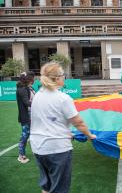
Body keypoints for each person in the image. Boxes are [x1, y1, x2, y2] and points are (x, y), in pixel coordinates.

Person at [30, 62, 96, 193]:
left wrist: (66, 132)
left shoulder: (38, 95)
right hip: (57, 149)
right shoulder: (63, 98)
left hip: (38, 148)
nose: (64, 77)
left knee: (46, 186)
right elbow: (79, 123)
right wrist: (90, 135)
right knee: (59, 189)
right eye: (63, 75)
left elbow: (46, 120)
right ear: (57, 78)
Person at [16, 71, 35, 164]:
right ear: (28, 79)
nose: (34, 79)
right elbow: (27, 102)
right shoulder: (22, 89)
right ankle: (21, 155)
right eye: (32, 77)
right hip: (26, 117)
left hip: (33, 116)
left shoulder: (29, 88)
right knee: (24, 136)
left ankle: (35, 151)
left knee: (34, 134)